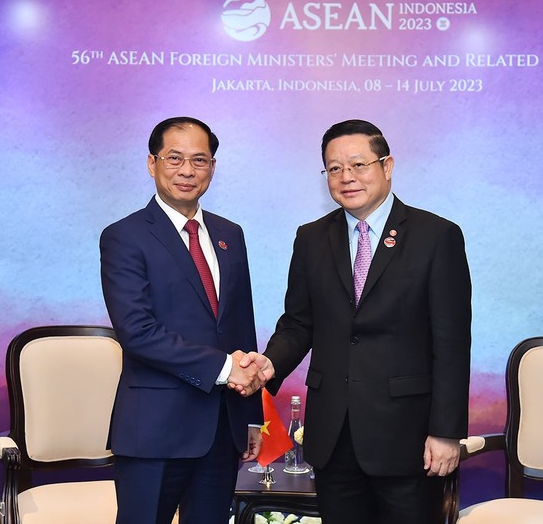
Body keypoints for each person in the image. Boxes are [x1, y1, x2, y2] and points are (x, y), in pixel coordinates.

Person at [235, 119, 472, 523]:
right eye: (334, 168)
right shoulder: (310, 238)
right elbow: (298, 323)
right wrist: (270, 363)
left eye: (358, 165)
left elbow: (450, 341)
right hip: (333, 435)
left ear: (387, 165)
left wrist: (446, 431)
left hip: (408, 436)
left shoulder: (436, 236)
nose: (347, 177)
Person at [100, 116, 266, 524]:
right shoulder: (125, 236)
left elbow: (240, 327)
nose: (187, 171)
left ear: (213, 166)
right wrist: (227, 369)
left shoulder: (231, 233)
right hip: (154, 432)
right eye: (174, 158)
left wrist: (251, 419)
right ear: (151, 163)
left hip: (221, 432)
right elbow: (137, 332)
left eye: (200, 160)